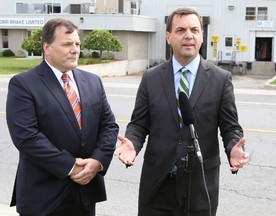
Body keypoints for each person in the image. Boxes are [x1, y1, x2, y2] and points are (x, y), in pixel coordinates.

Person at [114, 8, 249, 216]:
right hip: (157, 186)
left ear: (202, 37)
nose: (189, 35)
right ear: (168, 37)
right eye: (181, 30)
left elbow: (230, 127)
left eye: (195, 30)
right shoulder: (151, 78)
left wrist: (233, 148)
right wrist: (132, 142)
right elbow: (139, 124)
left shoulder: (220, 79)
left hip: (200, 186)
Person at [6, 18, 119, 216]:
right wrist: (70, 167)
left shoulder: (93, 81)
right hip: (43, 197)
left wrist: (97, 162)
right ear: (47, 47)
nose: (75, 49)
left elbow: (109, 126)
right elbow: (26, 137)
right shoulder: (23, 84)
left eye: (77, 44)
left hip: (86, 192)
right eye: (67, 44)